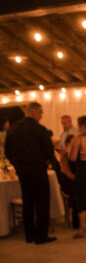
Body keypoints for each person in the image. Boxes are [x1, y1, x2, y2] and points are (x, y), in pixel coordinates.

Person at [4, 102, 58, 244]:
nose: (41, 116)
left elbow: (7, 151)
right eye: (40, 113)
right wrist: (47, 161)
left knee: (27, 201)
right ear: (33, 112)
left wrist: (17, 164)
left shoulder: (13, 129)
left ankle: (29, 235)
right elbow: (48, 151)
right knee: (42, 202)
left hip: (22, 171)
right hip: (38, 169)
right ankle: (41, 235)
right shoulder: (40, 130)